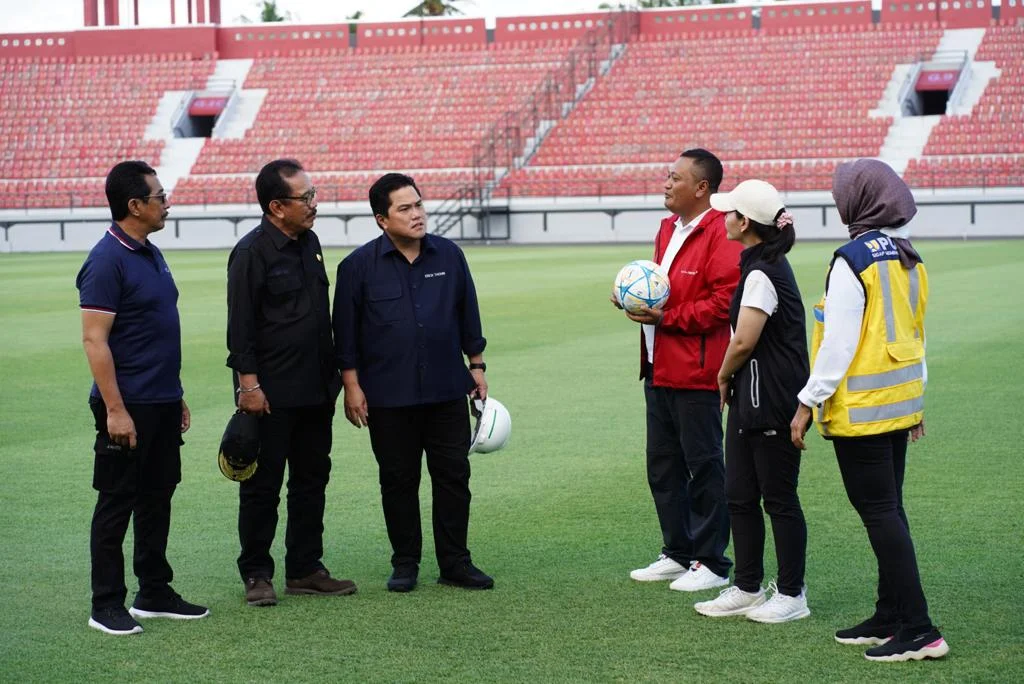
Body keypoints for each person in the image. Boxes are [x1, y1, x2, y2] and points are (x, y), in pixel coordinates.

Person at [791, 159, 948, 661]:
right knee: (890, 510)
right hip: (898, 405)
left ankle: (920, 629)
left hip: (863, 412)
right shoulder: (909, 255)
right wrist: (916, 401)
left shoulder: (852, 260)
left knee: (880, 514)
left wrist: (806, 402)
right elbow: (916, 336)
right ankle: (891, 613)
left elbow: (837, 344)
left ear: (858, 202)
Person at [332, 173, 491, 593]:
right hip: (387, 395)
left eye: (419, 204)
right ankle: (405, 563)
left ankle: (456, 563)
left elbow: (468, 313)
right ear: (382, 219)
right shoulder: (357, 267)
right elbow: (344, 335)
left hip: (446, 389)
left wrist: (476, 365)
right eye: (405, 208)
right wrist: (351, 386)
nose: (417, 214)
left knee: (453, 477)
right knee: (398, 480)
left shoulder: (450, 255)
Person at [76, 160, 209, 635]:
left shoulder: (149, 252)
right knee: (117, 502)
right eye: (160, 196)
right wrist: (115, 410)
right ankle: (105, 603)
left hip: (161, 401)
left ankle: (153, 591)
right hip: (126, 405)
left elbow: (154, 331)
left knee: (157, 497)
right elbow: (95, 341)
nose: (167, 203)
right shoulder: (106, 260)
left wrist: (176, 395)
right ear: (135, 205)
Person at [226, 159, 354, 607]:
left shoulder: (310, 242)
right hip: (271, 394)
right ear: (277, 206)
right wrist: (249, 387)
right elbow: (241, 328)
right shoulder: (251, 252)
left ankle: (305, 568)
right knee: (262, 487)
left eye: (313, 194)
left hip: (316, 389)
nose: (314, 204)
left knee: (311, 480)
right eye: (306, 197)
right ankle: (256, 573)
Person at [618, 149, 743, 592]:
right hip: (658, 365)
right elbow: (662, 289)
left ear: (702, 188)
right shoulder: (667, 227)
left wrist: (665, 317)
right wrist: (633, 299)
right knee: (663, 466)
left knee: (704, 466)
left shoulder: (720, 231)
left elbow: (723, 303)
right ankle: (677, 552)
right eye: (668, 177)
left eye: (675, 178)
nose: (667, 184)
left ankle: (711, 562)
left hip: (697, 370)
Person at [692, 180, 810, 623]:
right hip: (754, 398)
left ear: (744, 223)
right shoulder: (759, 264)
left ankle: (793, 594)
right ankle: (747, 586)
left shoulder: (762, 272)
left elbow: (743, 341)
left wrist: (722, 376)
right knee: (740, 495)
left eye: (730, 213)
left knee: (778, 498)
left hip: (771, 398)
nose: (724, 218)